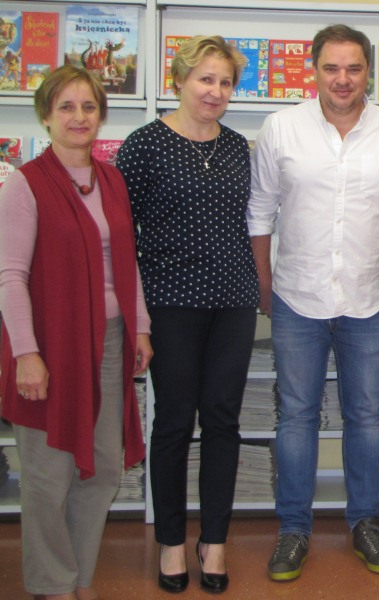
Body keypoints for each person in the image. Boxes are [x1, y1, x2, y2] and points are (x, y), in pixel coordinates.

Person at [248, 24, 379, 582]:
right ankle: (293, 529)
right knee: (296, 415)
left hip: (370, 297)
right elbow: (260, 212)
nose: (342, 79)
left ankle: (366, 522)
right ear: (314, 70)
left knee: (365, 416)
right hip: (297, 294)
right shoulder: (281, 128)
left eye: (353, 68)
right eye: (331, 68)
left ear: (369, 71)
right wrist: (264, 283)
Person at [0, 64, 153, 600]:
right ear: (46, 116)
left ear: (100, 116)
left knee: (103, 467)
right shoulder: (25, 184)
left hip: (109, 340)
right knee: (49, 473)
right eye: (66, 106)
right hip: (50, 345)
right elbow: (10, 276)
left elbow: (127, 262)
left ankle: (80, 575)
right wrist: (26, 353)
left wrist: (140, 328)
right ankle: (53, 582)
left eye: (88, 106)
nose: (79, 117)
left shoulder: (111, 179)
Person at [116, 36, 259, 594]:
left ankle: (214, 540)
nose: (215, 91)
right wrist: (136, 318)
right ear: (178, 80)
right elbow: (122, 237)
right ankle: (172, 541)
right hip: (169, 304)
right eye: (205, 78)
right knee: (174, 422)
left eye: (225, 82)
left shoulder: (238, 147)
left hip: (233, 303)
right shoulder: (144, 145)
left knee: (223, 421)